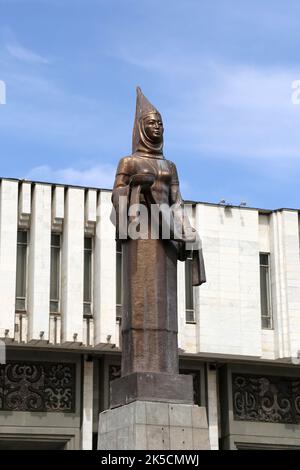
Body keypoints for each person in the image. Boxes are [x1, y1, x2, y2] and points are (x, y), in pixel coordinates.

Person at [111, 87, 205, 377]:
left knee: (165, 306)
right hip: (140, 231)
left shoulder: (169, 165)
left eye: (160, 122)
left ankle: (166, 371)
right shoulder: (129, 162)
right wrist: (136, 187)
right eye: (152, 122)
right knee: (141, 302)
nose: (157, 127)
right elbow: (117, 194)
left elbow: (176, 201)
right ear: (141, 127)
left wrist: (186, 229)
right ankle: (140, 367)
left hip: (165, 232)